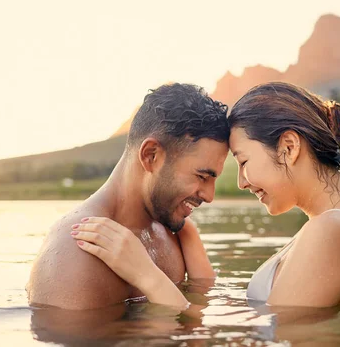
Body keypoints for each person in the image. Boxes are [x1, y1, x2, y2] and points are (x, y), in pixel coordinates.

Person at [70, 82, 340, 309]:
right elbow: (265, 321)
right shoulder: (339, 223)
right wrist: (191, 243)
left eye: (243, 161)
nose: (243, 182)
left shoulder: (333, 231)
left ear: (288, 147)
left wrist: (145, 275)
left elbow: (273, 338)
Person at [26, 83, 230, 310]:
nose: (210, 196)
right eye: (202, 176)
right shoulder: (77, 254)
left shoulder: (175, 235)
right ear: (151, 156)